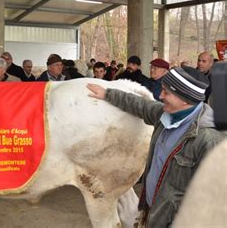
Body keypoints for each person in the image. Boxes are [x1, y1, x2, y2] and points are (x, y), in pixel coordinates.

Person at [87, 66, 225, 228]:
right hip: (155, 210)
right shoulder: (166, 115)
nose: (160, 95)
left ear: (185, 99)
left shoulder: (211, 140)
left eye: (167, 92)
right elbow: (141, 105)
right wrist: (108, 94)